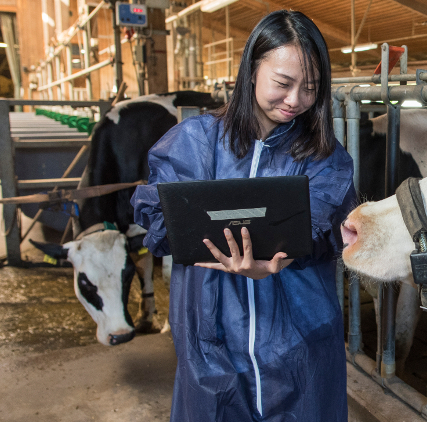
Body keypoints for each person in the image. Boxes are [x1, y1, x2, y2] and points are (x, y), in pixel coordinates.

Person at [130, 10, 355, 422]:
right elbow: (161, 221)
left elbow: (329, 232)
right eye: (283, 83)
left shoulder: (326, 158)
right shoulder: (194, 141)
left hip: (298, 341)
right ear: (252, 69)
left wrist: (278, 261)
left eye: (311, 88)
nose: (295, 101)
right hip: (212, 341)